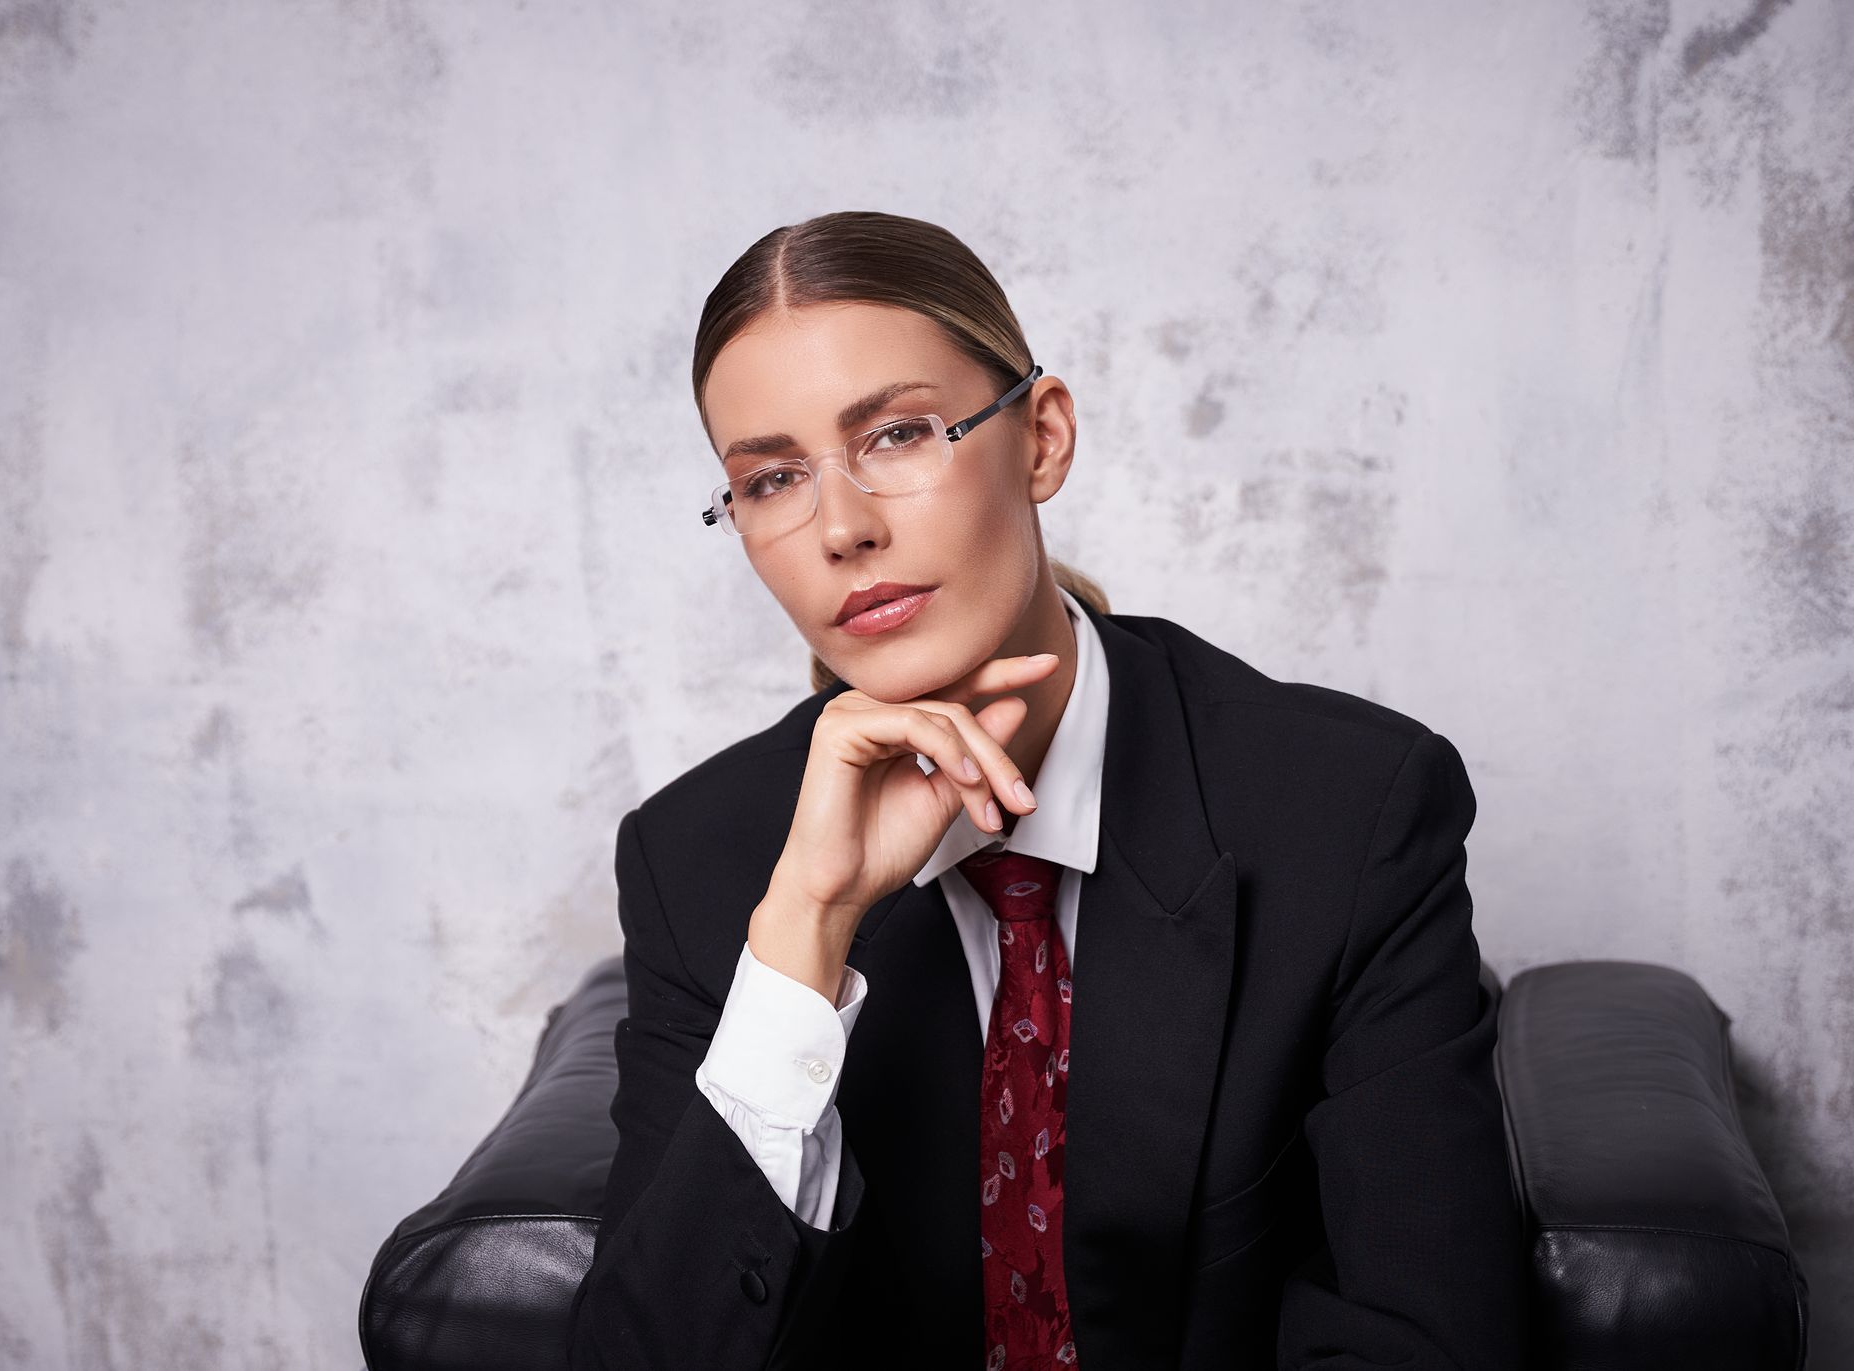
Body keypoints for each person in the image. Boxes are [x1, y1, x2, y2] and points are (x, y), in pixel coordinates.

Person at [564, 210, 1529, 1370]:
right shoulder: (696, 860)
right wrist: (807, 935)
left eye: (898, 434)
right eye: (771, 479)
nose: (843, 529)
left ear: (1044, 437)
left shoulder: (1347, 806)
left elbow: (1428, 1332)